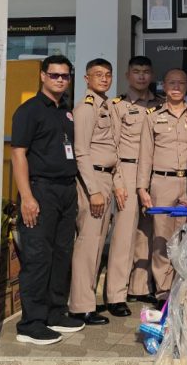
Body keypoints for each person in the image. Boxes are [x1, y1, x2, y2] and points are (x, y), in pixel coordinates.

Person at [10, 55, 85, 345]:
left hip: (65, 190)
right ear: (43, 76)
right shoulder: (29, 111)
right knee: (38, 257)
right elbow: (18, 154)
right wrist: (27, 197)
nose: (60, 80)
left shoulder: (65, 111)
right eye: (54, 75)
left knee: (61, 254)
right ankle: (31, 324)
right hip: (40, 190)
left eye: (65, 76)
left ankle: (55, 313)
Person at [137, 69, 187, 301]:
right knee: (162, 239)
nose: (176, 87)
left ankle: (184, 290)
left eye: (180, 83)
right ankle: (164, 291)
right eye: (171, 83)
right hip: (161, 182)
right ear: (163, 86)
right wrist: (142, 188)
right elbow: (145, 154)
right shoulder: (152, 116)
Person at [109, 56, 164, 312]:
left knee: (147, 233)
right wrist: (118, 182)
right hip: (128, 171)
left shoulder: (160, 105)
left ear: (151, 75)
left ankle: (139, 288)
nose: (141, 76)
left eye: (146, 72)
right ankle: (116, 295)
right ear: (128, 75)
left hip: (153, 173)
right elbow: (112, 146)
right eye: (136, 71)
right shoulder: (117, 106)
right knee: (124, 236)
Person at [69, 59, 118, 326]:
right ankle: (80, 306)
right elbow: (81, 151)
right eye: (98, 74)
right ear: (87, 79)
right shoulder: (87, 108)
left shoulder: (106, 106)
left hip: (105, 178)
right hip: (93, 181)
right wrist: (94, 191)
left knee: (97, 243)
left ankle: (86, 300)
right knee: (88, 243)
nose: (104, 78)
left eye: (107, 74)